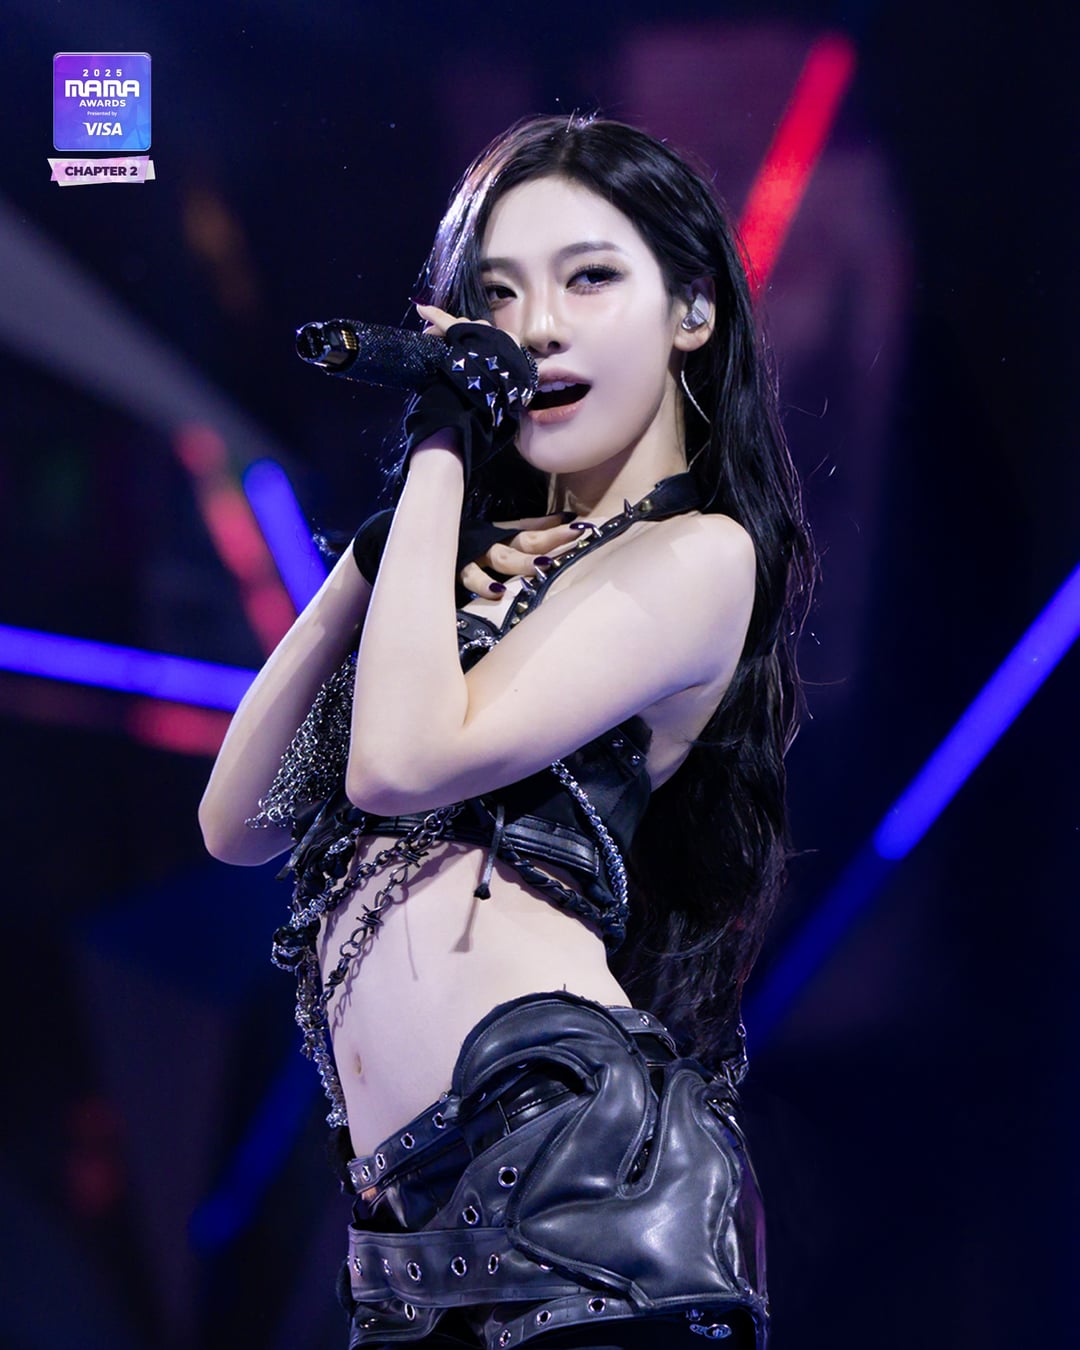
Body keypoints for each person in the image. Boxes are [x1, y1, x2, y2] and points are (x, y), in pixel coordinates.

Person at [199, 113, 815, 1349]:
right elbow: (239, 820)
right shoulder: (462, 580)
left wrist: (440, 442)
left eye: (589, 278)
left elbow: (398, 764)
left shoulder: (701, 555)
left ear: (691, 311)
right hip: (414, 1246)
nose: (533, 329)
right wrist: (371, 563)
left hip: (573, 1198)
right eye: (496, 294)